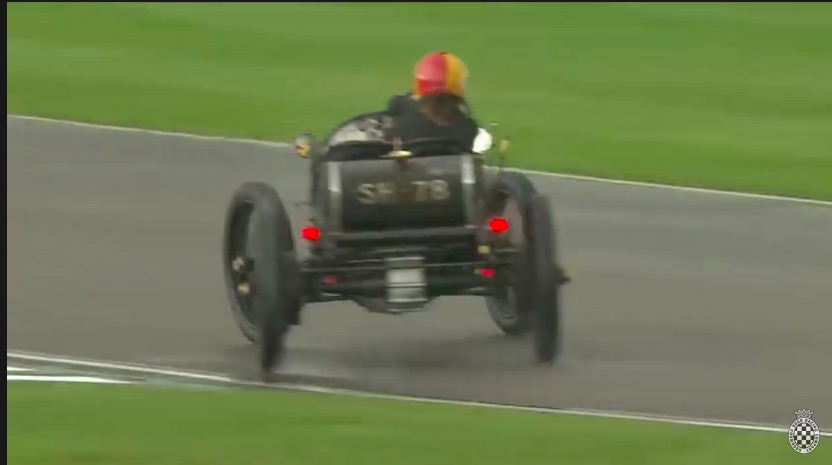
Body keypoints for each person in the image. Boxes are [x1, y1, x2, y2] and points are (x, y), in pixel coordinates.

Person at [383, 51, 480, 152]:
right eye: (432, 100)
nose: (437, 108)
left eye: (442, 101)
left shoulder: (467, 128)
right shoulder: (468, 128)